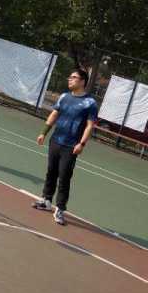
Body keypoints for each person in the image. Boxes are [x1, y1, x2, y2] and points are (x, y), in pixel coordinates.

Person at [32, 68, 97, 225]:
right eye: (70, 77)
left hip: (71, 146)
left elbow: (90, 126)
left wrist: (82, 143)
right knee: (51, 172)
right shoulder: (64, 97)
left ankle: (60, 208)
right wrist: (43, 132)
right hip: (56, 141)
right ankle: (46, 200)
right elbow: (54, 114)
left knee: (64, 177)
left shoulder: (90, 103)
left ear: (82, 81)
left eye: (74, 77)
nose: (70, 79)